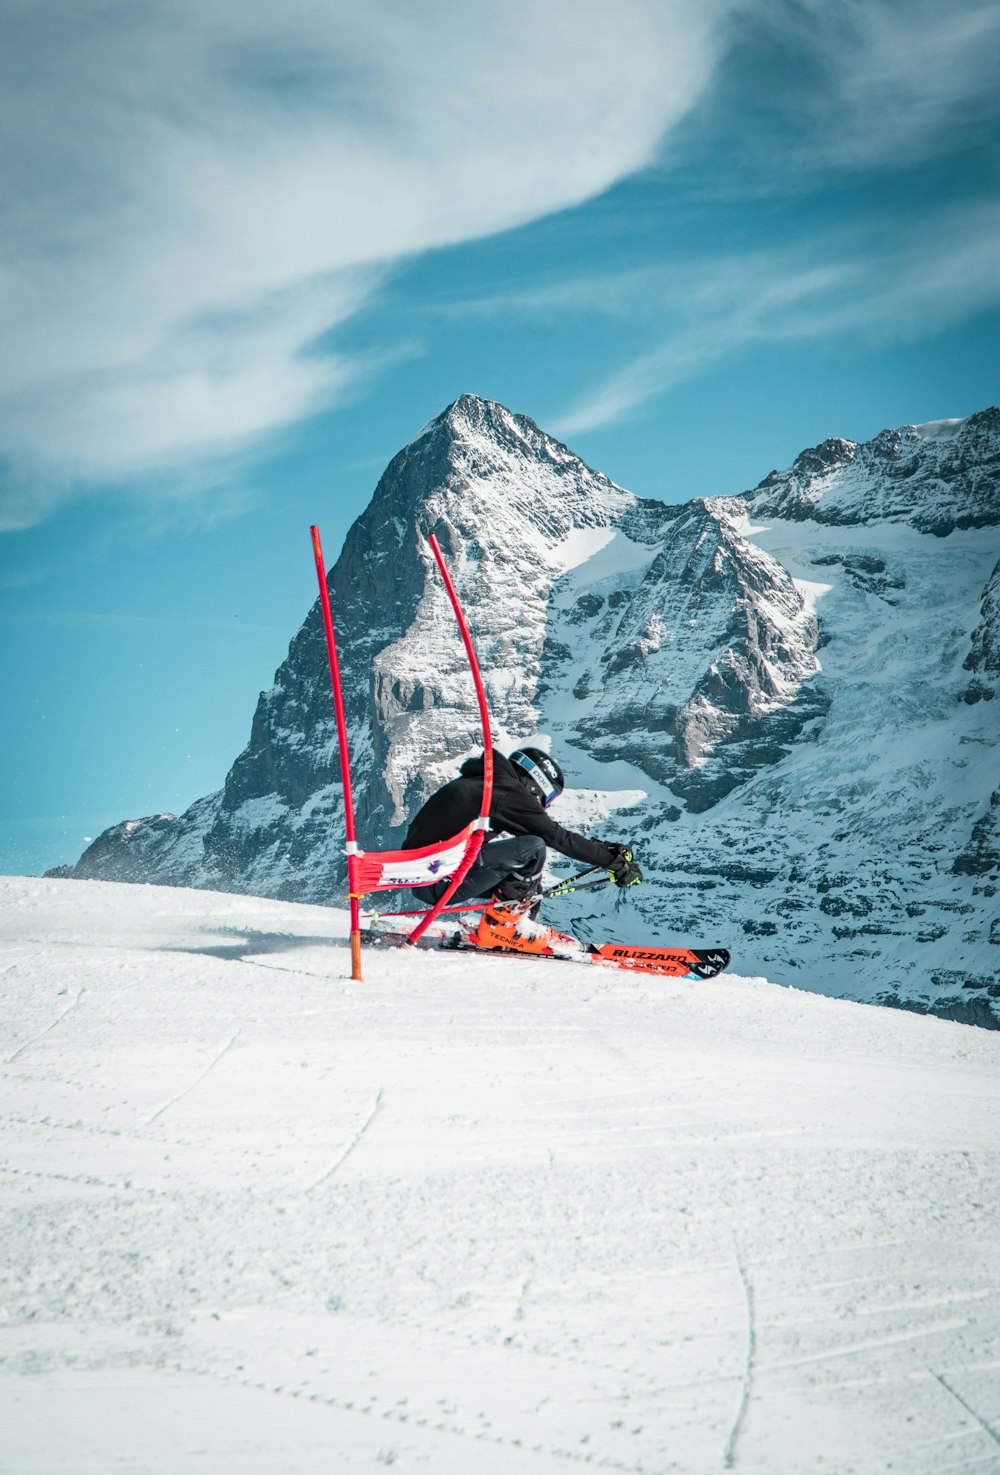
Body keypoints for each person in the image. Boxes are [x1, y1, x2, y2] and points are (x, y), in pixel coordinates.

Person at [404, 746, 642, 953]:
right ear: (534, 785)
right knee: (533, 848)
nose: (543, 808)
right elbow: (554, 836)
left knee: (529, 885)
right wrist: (615, 863)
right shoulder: (506, 791)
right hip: (437, 879)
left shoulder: (489, 783)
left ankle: (512, 926)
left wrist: (601, 851)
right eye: (546, 801)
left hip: (427, 872)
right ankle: (501, 931)